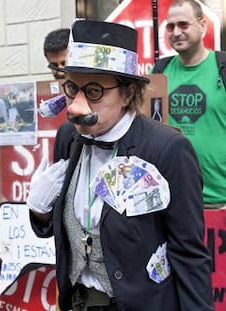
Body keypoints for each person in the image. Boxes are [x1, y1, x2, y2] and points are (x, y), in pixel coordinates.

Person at [27, 19, 213, 311]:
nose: (76, 106)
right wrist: (40, 213)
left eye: (94, 91)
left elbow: (189, 254)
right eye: (71, 88)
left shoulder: (167, 150)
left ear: (127, 94)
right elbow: (69, 228)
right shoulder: (68, 136)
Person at [151, 0, 226, 209]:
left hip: (220, 201)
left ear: (202, 26)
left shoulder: (223, 67)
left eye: (183, 24)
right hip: (172, 200)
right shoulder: (159, 72)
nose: (176, 32)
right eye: (170, 26)